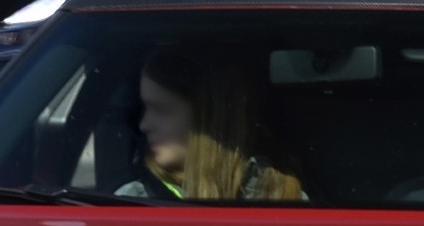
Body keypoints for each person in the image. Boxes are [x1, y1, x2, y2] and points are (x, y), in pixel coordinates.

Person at [115, 46, 303, 202]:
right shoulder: (129, 203)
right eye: (145, 108)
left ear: (210, 122)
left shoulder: (288, 200)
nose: (143, 125)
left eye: (162, 110)